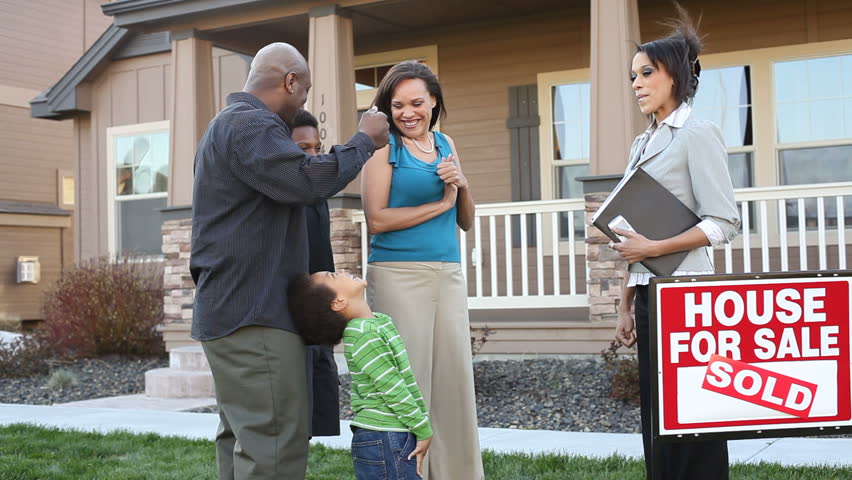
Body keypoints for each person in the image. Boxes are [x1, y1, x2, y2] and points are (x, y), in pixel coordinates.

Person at [190, 42, 389, 480]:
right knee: (274, 446)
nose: (303, 102)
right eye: (304, 91)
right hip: (254, 315)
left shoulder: (225, 128)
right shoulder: (250, 125)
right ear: (290, 81)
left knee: (246, 441)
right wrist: (364, 142)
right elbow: (307, 180)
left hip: (234, 311)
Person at [610, 6, 741, 480]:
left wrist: (653, 248)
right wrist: (625, 302)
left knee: (695, 414)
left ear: (676, 75)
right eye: (632, 76)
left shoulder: (697, 133)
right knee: (658, 415)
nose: (637, 84)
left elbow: (724, 222)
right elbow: (634, 231)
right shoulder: (640, 143)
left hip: (686, 295)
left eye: (646, 73)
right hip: (648, 294)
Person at [360, 60, 483, 480]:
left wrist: (461, 185)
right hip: (397, 275)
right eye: (397, 105)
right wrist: (440, 205)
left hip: (446, 273)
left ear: (433, 101)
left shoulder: (446, 143)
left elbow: (465, 220)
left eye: (416, 103)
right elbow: (376, 219)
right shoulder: (383, 150)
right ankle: (405, 472)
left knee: (452, 383)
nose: (407, 113)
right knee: (407, 383)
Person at [287, 270, 433, 479]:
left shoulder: (376, 323)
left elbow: (403, 379)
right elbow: (392, 387)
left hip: (391, 433)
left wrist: (420, 421)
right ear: (338, 302)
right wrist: (422, 427)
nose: (343, 271)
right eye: (334, 275)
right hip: (385, 436)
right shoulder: (363, 334)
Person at [288, 109, 341, 439]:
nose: (313, 156)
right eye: (303, 148)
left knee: (314, 404)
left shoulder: (315, 194)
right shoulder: (283, 192)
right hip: (288, 311)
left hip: (316, 309)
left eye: (317, 148)